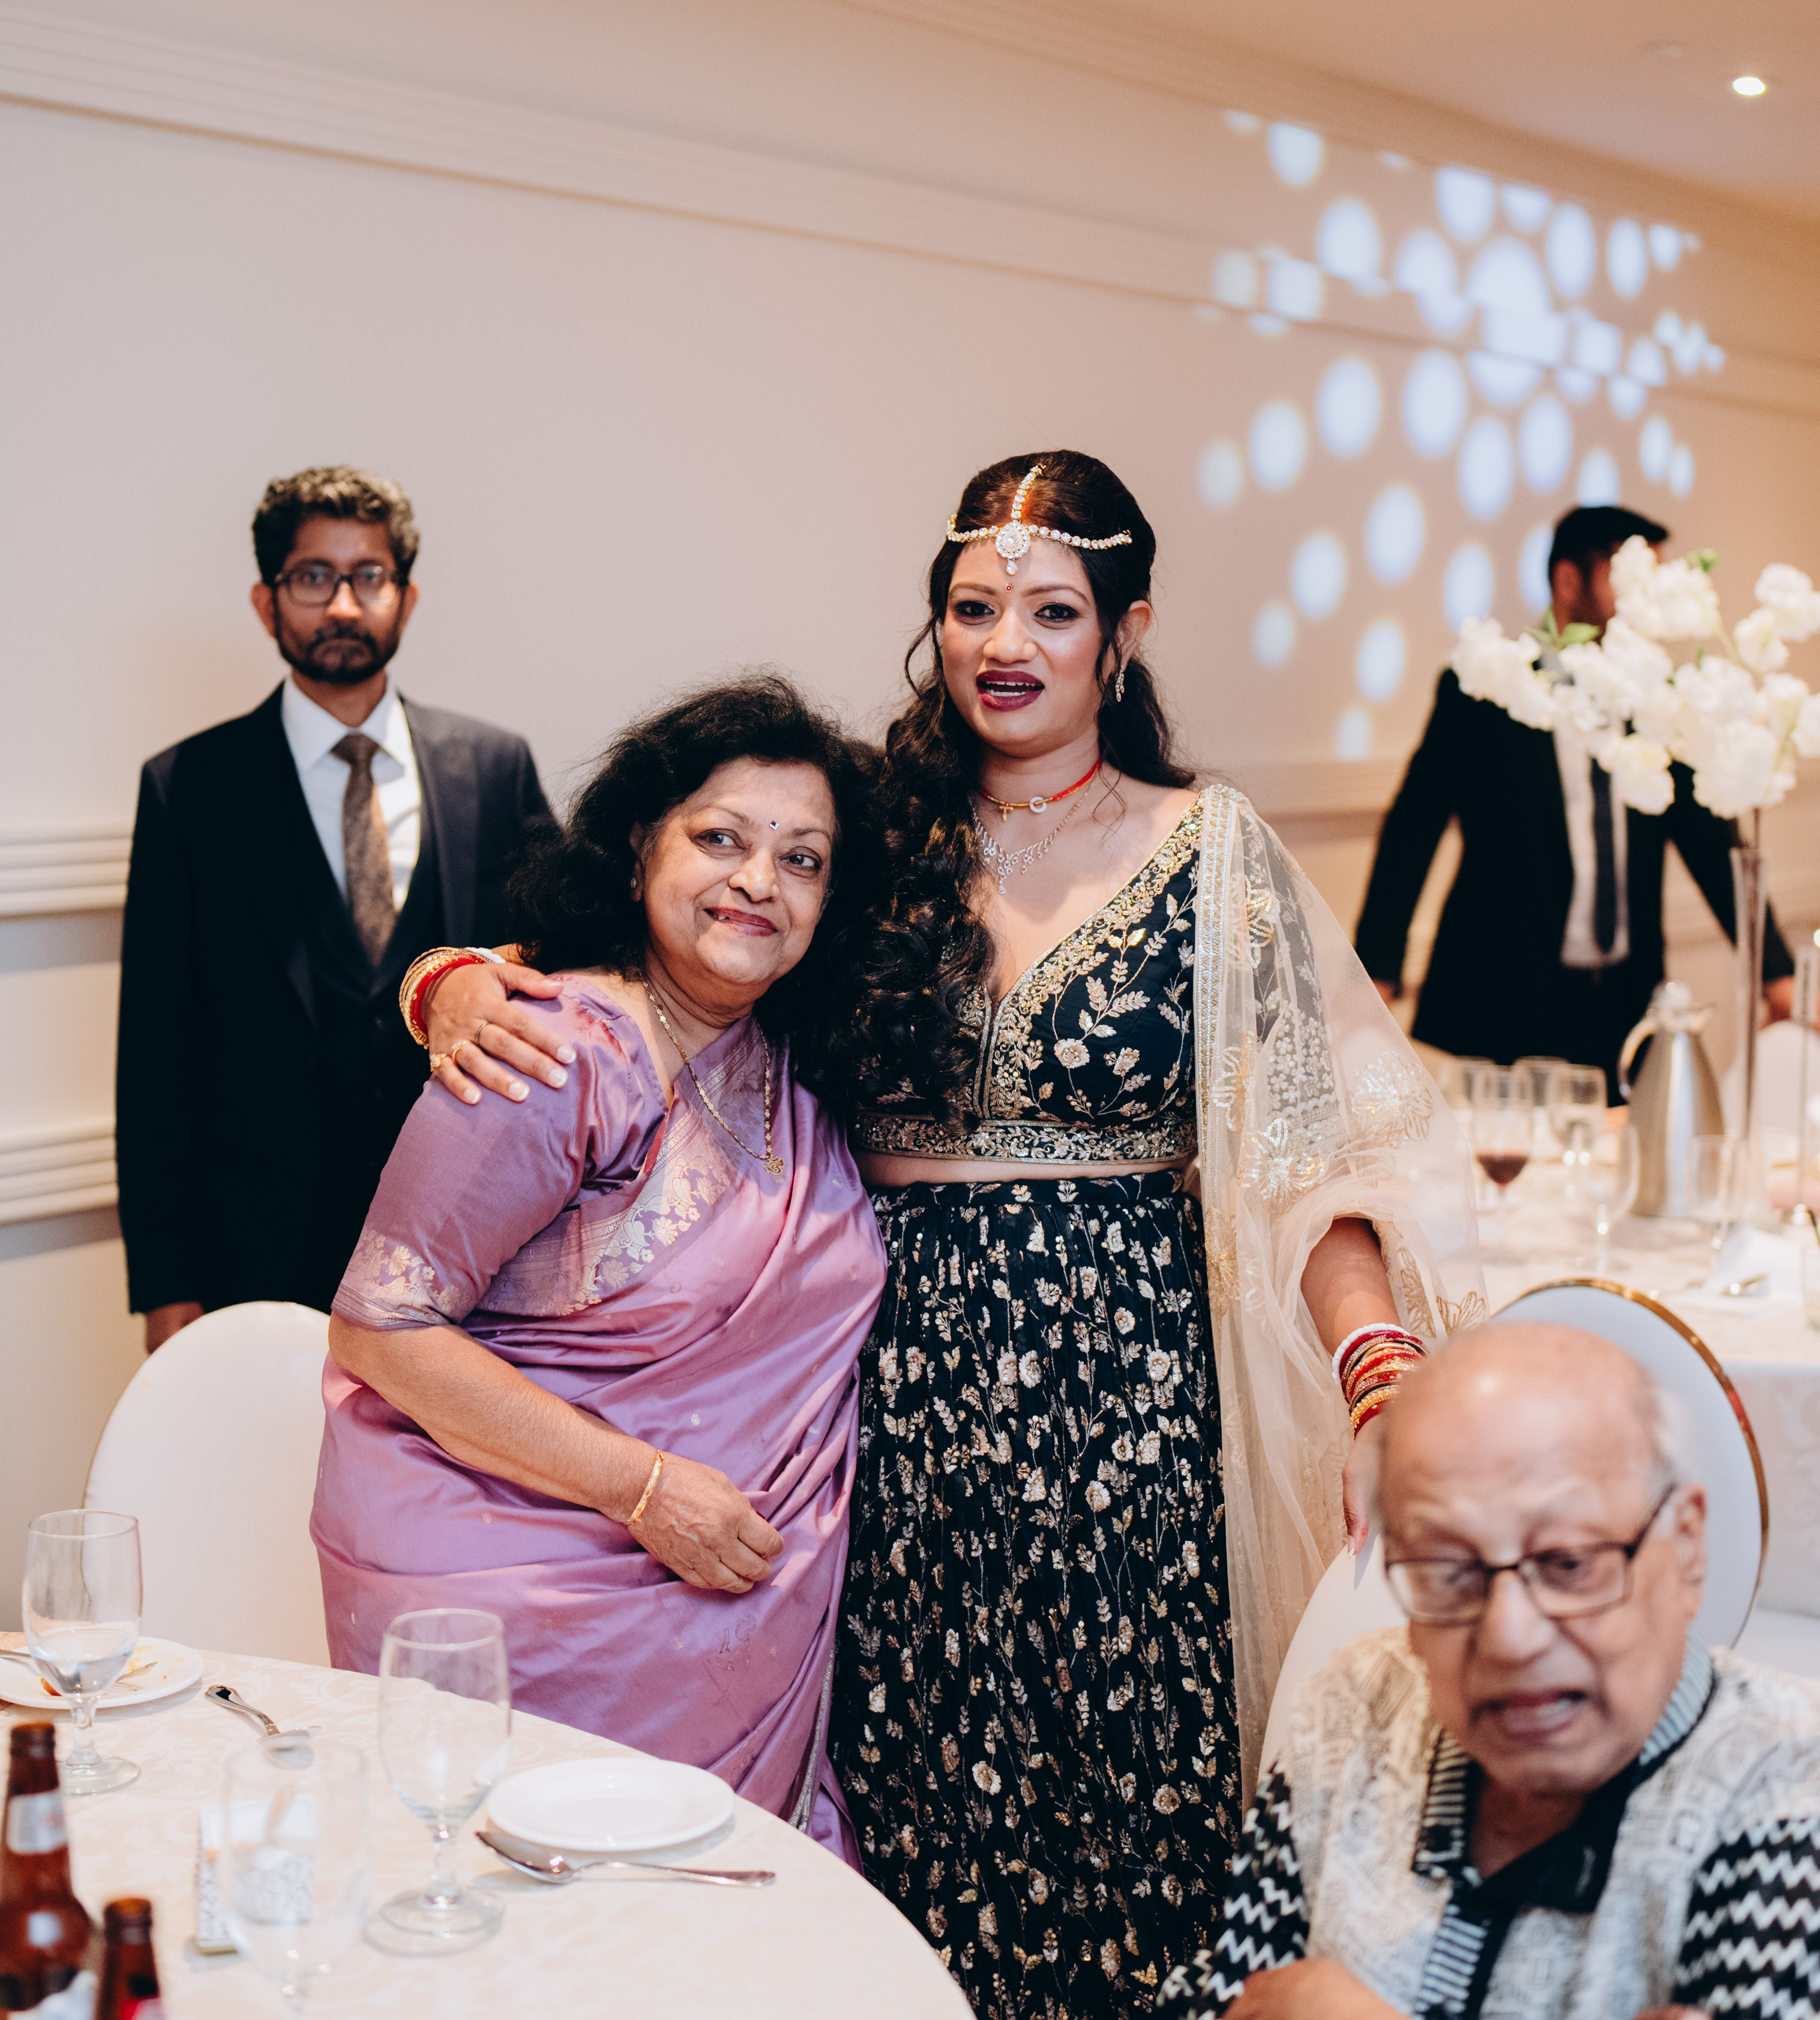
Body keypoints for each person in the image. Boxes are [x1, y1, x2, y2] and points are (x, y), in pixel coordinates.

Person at [422, 452, 1482, 2018]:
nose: (1007, 643)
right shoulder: (869, 835)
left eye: (1052, 611)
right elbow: (632, 942)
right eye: (975, 606)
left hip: (1129, 1421)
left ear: (1124, 632)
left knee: (1132, 1788)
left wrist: (1376, 1366)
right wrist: (447, 980)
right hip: (882, 1404)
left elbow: (1311, 1163)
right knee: (907, 1790)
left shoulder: (1213, 854)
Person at [316, 679, 887, 1855]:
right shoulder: (547, 1051)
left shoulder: (799, 1060)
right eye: (719, 838)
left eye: (802, 859)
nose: (758, 880)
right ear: (639, 851)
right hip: (535, 1595)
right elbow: (380, 1328)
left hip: (737, 1594)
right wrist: (645, 1490)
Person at [1158, 1322, 1820, 2019]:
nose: (1510, 1638)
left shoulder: (1796, 1802)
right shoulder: (1351, 1714)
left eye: (1568, 1563)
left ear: (1687, 1547)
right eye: (1449, 1572)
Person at [116, 466, 551, 1350]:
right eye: (314, 576)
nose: (343, 605)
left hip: (469, 1244)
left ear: (407, 597)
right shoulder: (188, 788)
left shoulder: (494, 768)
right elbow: (155, 1052)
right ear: (267, 601)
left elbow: (567, 960)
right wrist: (167, 1286)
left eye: (369, 576)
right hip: (257, 1252)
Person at [1351, 505, 1788, 1083]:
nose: (1645, 604)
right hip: (1499, 1004)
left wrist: (1775, 973)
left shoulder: (1659, 701)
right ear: (1567, 580)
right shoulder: (1485, 689)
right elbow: (1413, 830)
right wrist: (1375, 975)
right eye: (1627, 580)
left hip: (1622, 1009)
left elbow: (1710, 841)